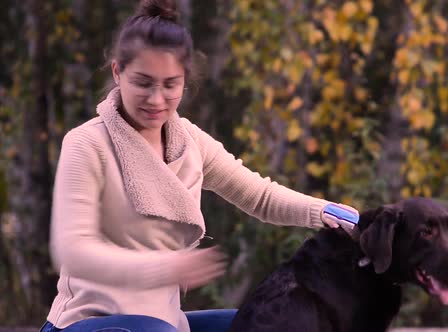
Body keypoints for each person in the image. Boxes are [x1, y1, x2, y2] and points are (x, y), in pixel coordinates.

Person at [40, 0, 358, 331]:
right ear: (118, 71)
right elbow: (73, 251)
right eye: (143, 83)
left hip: (165, 323)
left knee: (270, 324)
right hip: (88, 322)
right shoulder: (87, 144)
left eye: (170, 84)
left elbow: (258, 195)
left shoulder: (188, 141)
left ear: (185, 81)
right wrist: (163, 268)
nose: (156, 99)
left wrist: (324, 212)